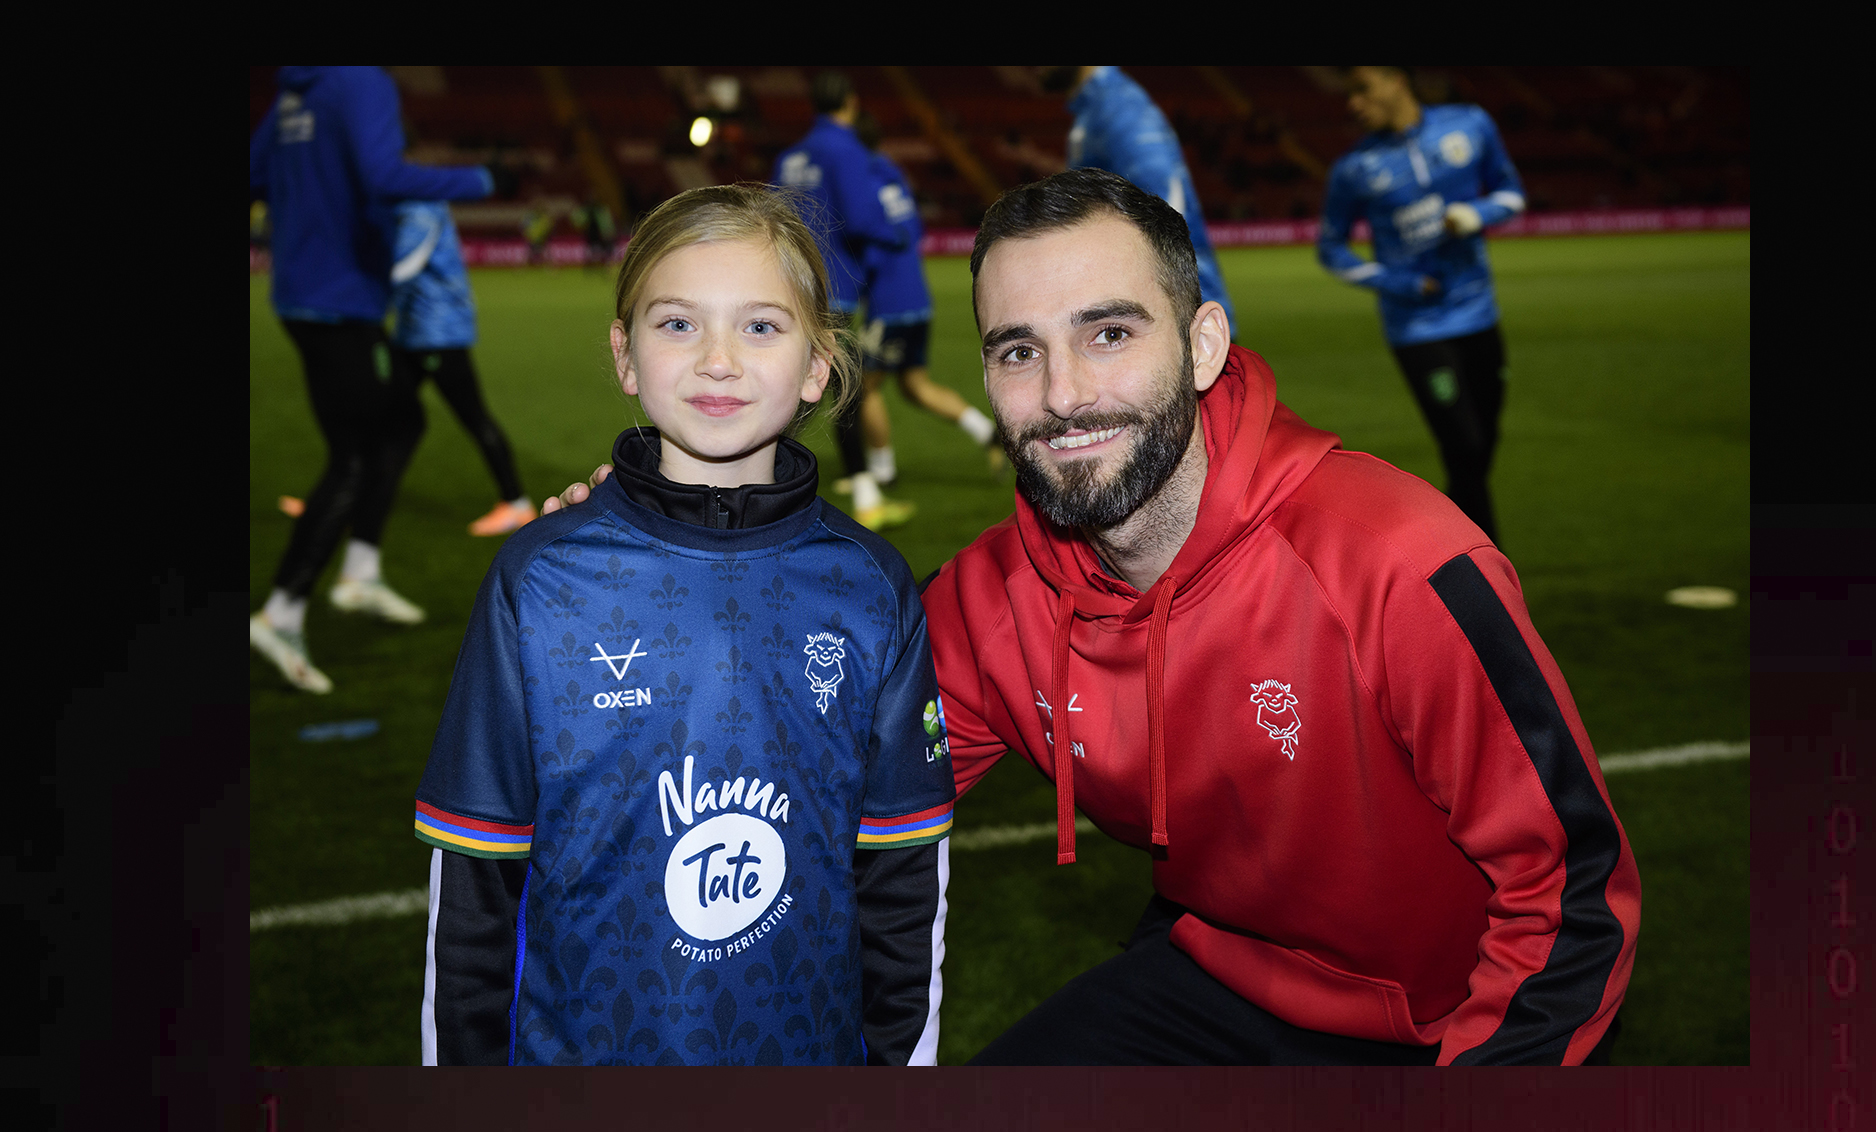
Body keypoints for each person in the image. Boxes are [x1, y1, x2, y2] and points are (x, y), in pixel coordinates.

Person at [542, 168, 1639, 1066]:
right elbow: (797, 785)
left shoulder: (1396, 563)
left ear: (1202, 345)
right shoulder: (992, 602)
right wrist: (655, 582)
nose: (1063, 394)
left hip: (1456, 1021)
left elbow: (1572, 900)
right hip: (1221, 974)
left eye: (1108, 333)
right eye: (1018, 350)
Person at [414, 184, 955, 1066]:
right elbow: (474, 891)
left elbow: (903, 886)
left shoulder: (870, 588)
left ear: (818, 365)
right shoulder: (540, 579)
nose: (717, 361)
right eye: (677, 324)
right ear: (625, 355)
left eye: (761, 326)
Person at [249, 66, 497, 694]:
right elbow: (383, 175)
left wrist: (313, 209)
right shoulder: (361, 81)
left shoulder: (295, 89)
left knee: (402, 421)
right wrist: (479, 178)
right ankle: (281, 613)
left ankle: (360, 571)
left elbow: (256, 172)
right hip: (340, 298)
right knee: (355, 458)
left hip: (301, 292)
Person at [1317, 66, 1526, 547]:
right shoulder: (1354, 168)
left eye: (1362, 89)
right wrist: (1399, 283)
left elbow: (1511, 193)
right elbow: (1332, 249)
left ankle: (1457, 545)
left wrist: (1476, 213)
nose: (1353, 103)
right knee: (1464, 444)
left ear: (1396, 79)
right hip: (1416, 327)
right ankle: (1485, 558)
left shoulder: (1469, 125)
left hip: (1479, 312)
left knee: (1480, 447)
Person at [775, 71, 915, 531]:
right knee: (842, 391)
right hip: (832, 287)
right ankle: (864, 497)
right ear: (850, 103)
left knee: (801, 389)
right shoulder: (847, 149)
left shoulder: (791, 156)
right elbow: (859, 217)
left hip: (786, 285)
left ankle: (742, 482)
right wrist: (897, 234)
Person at [850, 109, 1007, 489]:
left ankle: (883, 472)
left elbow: (865, 237)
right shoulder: (892, 174)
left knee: (863, 389)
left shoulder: (858, 181)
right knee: (915, 386)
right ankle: (985, 431)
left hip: (888, 303)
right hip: (917, 297)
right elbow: (913, 230)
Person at [1043, 67, 1236, 333]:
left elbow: (1168, 210)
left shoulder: (1120, 108)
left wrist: (1182, 322)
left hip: (1183, 324)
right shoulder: (1097, 109)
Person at [388, 199, 537, 537]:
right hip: (414, 332)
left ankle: (516, 503)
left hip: (437, 334)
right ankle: (344, 494)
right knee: (386, 415)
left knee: (473, 417)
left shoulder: (421, 209)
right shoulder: (413, 206)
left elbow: (403, 267)